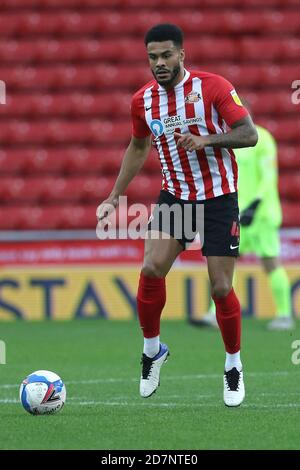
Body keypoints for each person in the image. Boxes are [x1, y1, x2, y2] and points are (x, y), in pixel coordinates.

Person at [96, 24, 258, 407]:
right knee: (151, 268)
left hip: (219, 198)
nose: (159, 63)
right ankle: (152, 350)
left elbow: (249, 134)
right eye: (152, 57)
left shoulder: (213, 87)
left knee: (220, 287)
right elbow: (138, 148)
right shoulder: (144, 101)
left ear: (182, 55)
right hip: (176, 197)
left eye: (166, 55)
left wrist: (207, 139)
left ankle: (233, 364)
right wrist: (116, 194)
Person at [194, 120, 294, 330]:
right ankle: (215, 314)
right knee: (226, 262)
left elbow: (269, 176)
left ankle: (284, 315)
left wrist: (255, 205)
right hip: (234, 211)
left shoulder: (263, 138)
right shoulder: (226, 141)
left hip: (261, 214)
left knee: (270, 261)